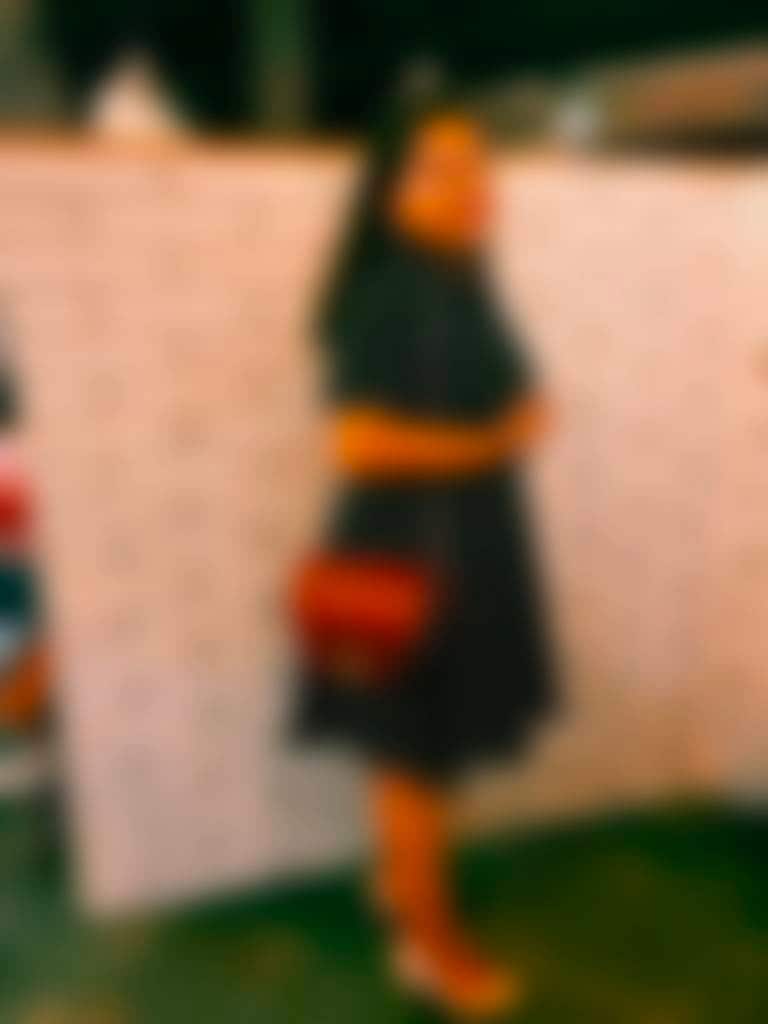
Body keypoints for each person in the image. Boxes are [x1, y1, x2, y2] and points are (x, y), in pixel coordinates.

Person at [294, 80, 557, 1017]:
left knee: (406, 757)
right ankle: (433, 945)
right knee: (417, 762)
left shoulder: (459, 282)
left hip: (413, 549)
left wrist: (517, 417)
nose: (469, 187)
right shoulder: (396, 291)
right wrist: (492, 441)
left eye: (478, 169)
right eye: (440, 170)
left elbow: (518, 395)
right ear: (390, 188)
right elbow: (358, 442)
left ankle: (395, 892)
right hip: (408, 557)